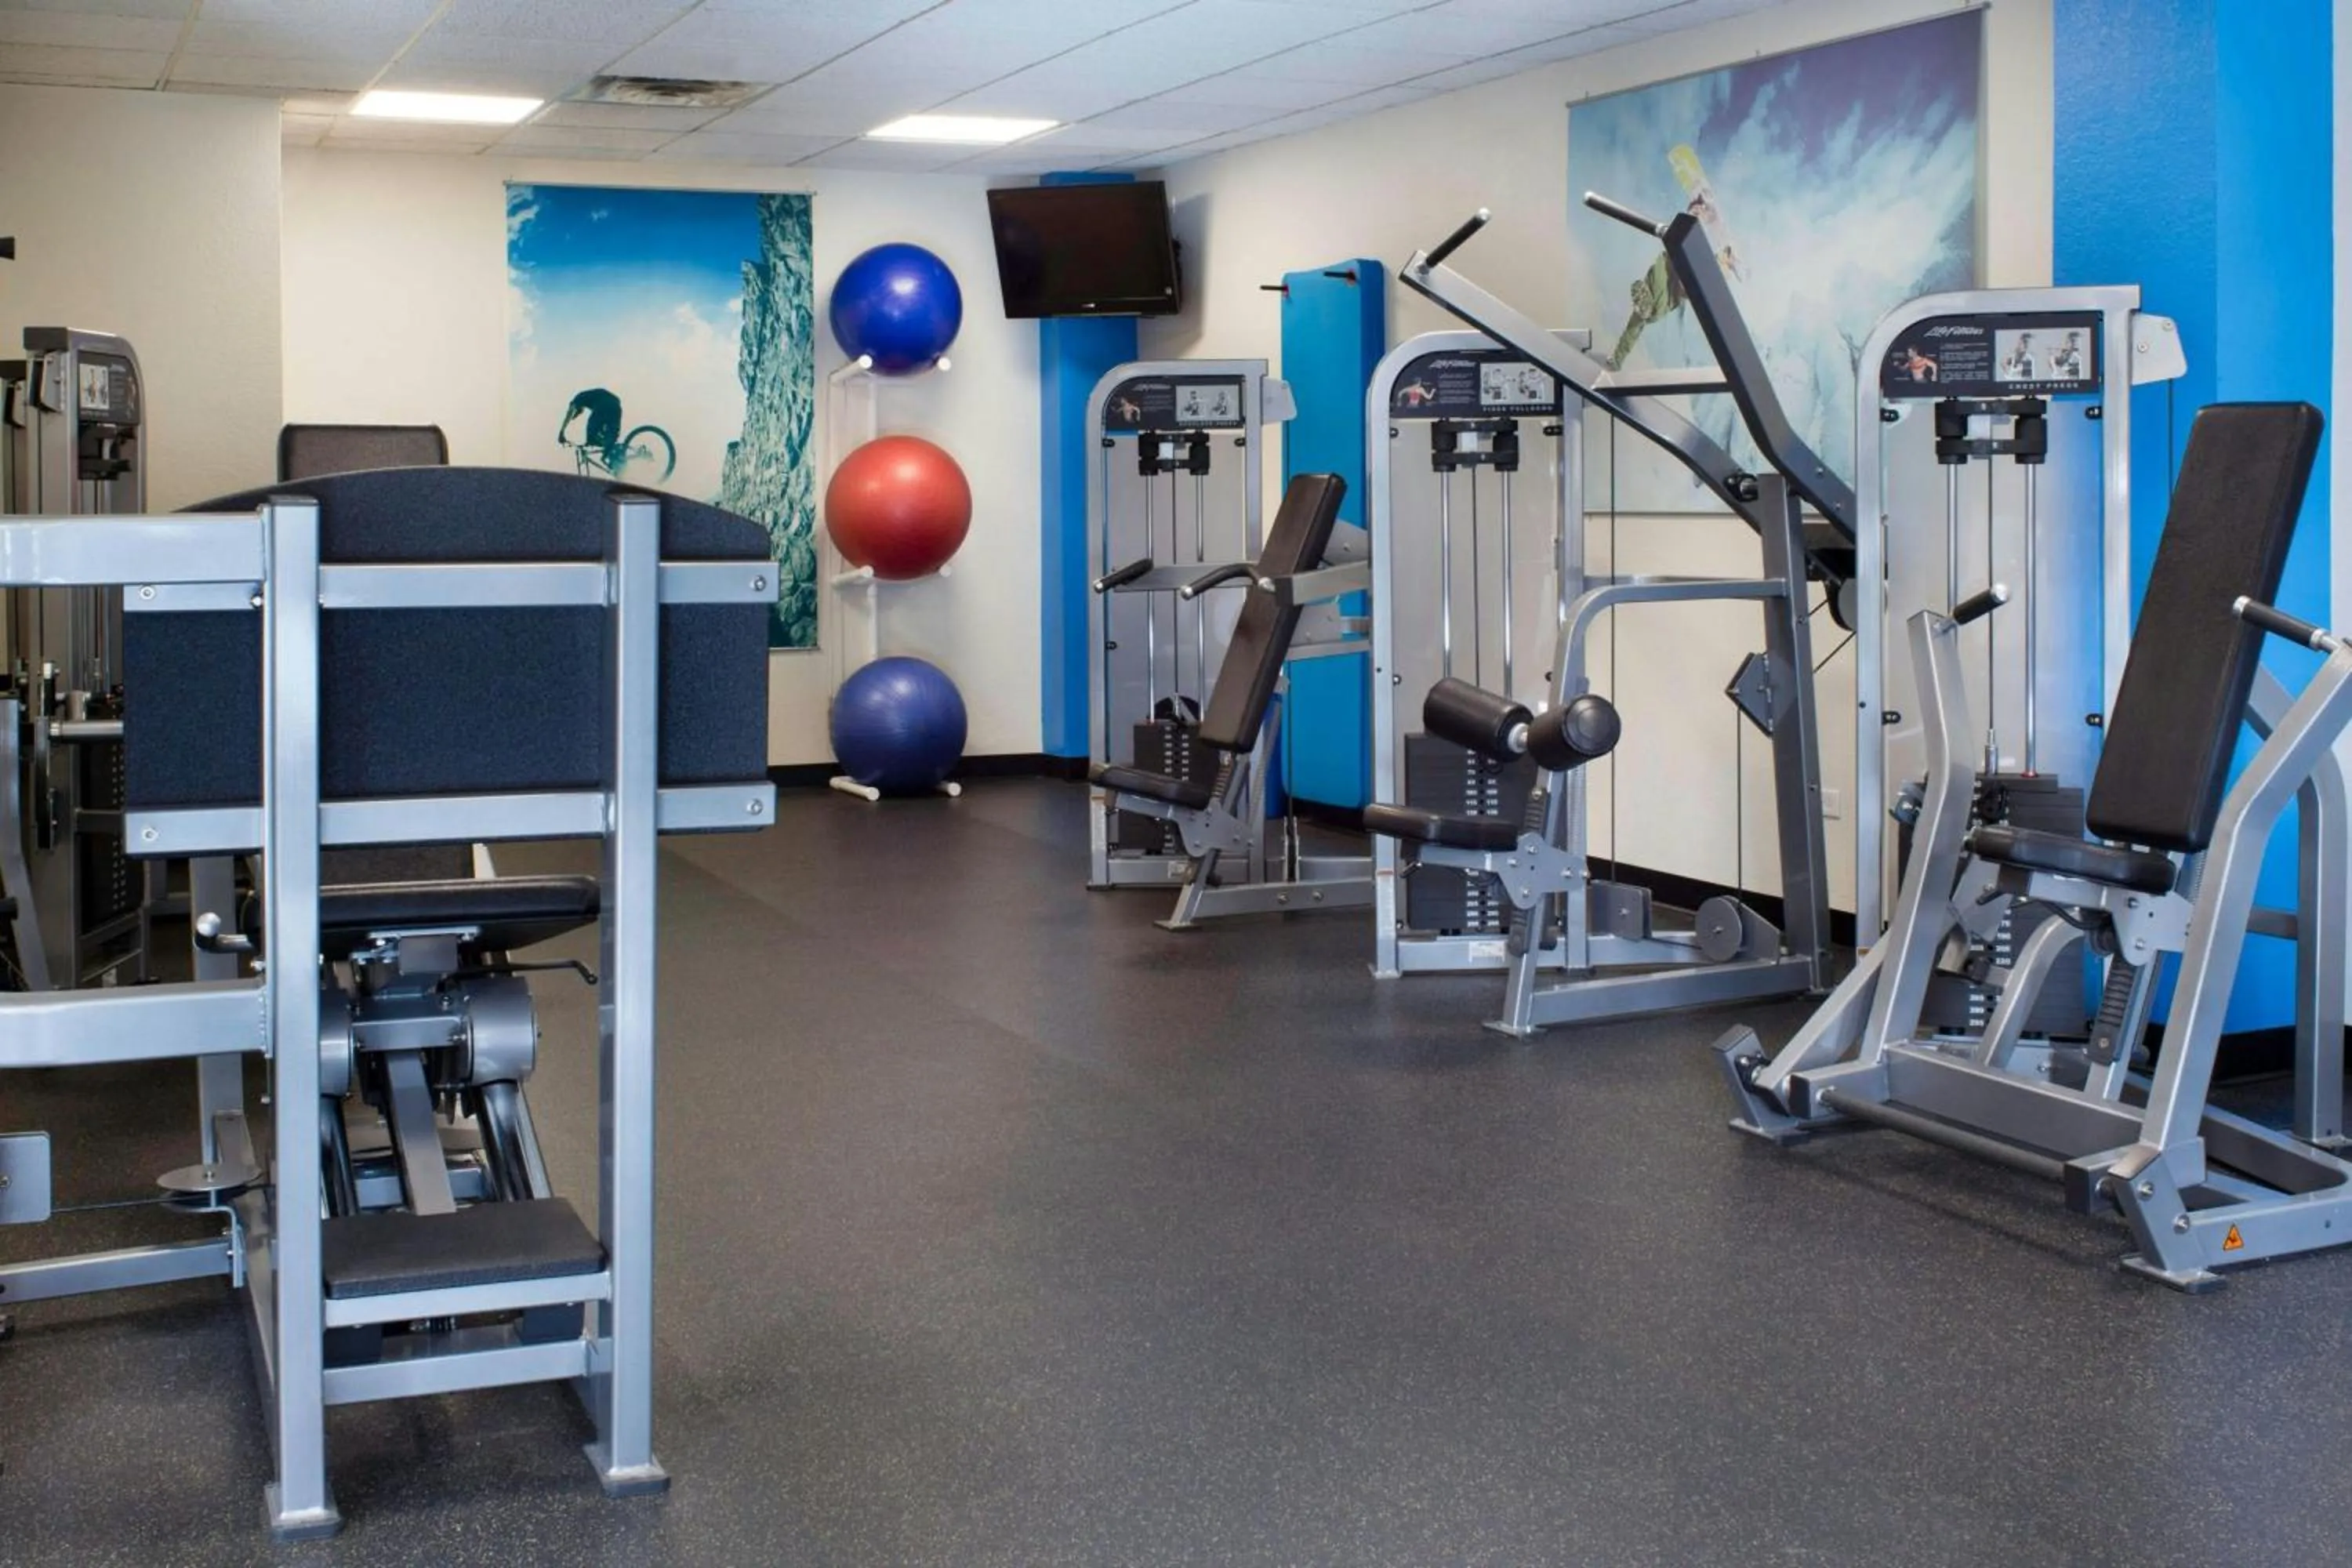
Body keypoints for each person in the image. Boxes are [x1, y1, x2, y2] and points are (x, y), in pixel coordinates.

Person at [559, 387, 624, 463]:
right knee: (611, 434)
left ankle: (598, 442)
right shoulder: (590, 398)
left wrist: (562, 432)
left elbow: (569, 414)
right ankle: (612, 451)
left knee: (591, 432)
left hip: (603, 405)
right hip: (616, 406)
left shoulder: (578, 399)